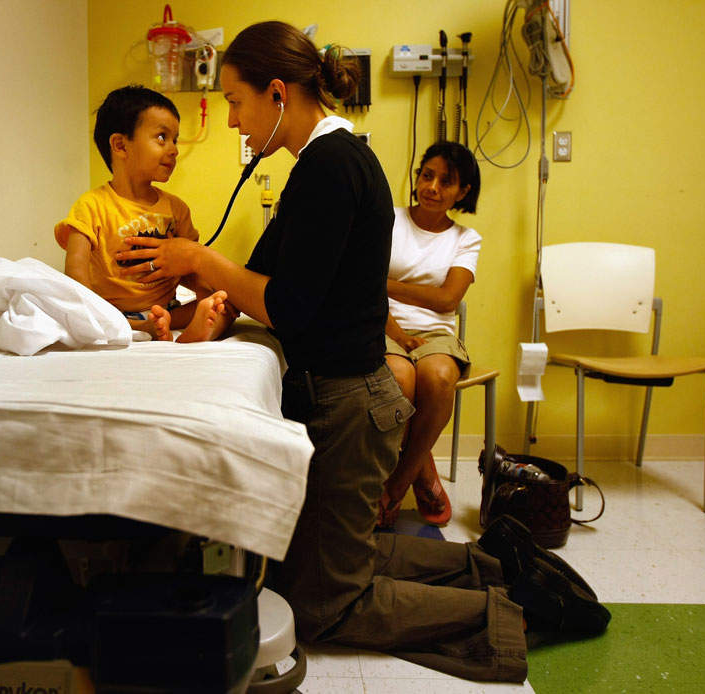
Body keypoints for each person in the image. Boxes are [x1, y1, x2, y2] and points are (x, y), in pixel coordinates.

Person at [113, 21, 608, 683]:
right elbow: (260, 280)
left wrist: (199, 258)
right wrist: (180, 283)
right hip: (346, 398)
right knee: (324, 562)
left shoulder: (332, 166)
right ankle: (493, 563)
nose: (231, 120)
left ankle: (508, 613)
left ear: (279, 94)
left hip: (350, 405)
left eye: (235, 100)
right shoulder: (320, 165)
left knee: (323, 602)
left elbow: (287, 305)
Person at [54, 85, 234, 343]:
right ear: (120, 145)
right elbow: (75, 271)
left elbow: (192, 270)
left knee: (227, 306)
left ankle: (191, 332)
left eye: (175, 139)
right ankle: (143, 328)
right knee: (80, 312)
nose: (174, 149)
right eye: (162, 137)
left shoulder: (176, 209)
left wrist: (209, 297)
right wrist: (92, 311)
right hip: (113, 312)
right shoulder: (91, 205)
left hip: (169, 310)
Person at [379, 142, 483, 529]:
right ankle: (423, 473)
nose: (433, 187)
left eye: (446, 181)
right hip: (384, 324)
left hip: (436, 333)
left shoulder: (465, 239)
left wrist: (385, 282)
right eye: (427, 175)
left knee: (438, 377)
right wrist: (397, 329)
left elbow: (447, 299)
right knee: (400, 378)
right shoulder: (387, 219)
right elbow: (363, 286)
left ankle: (396, 483)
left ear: (463, 192)